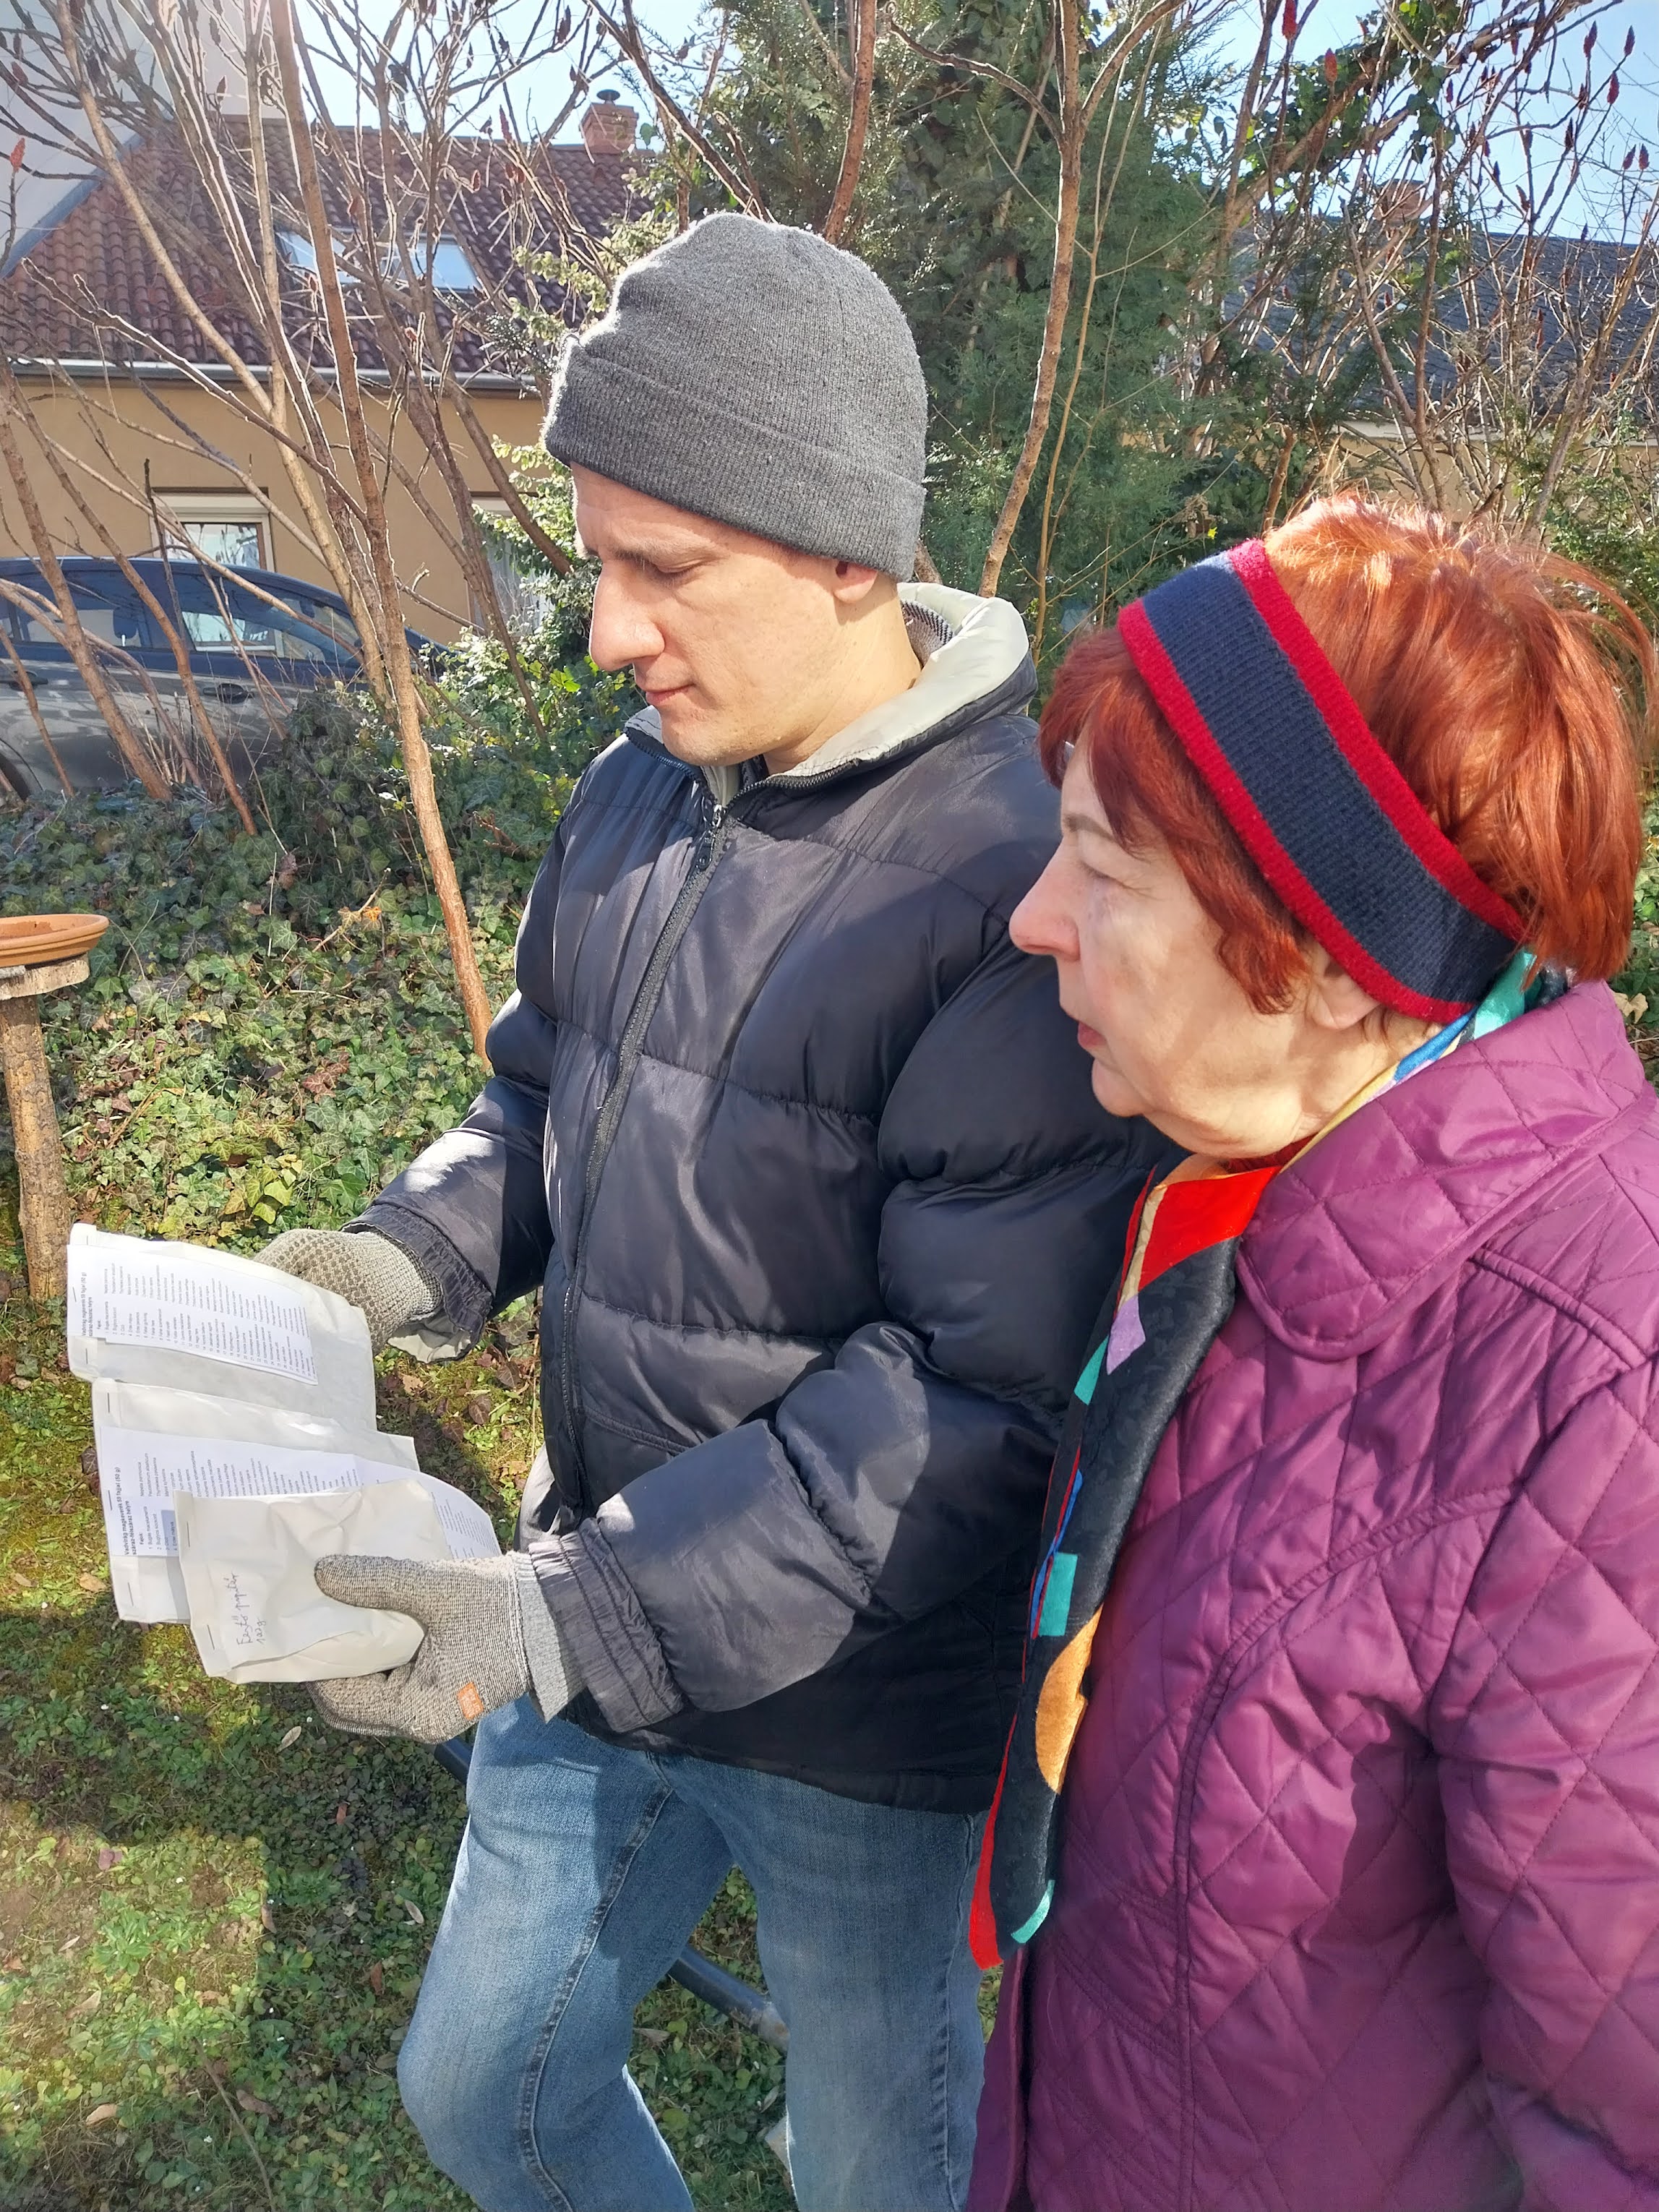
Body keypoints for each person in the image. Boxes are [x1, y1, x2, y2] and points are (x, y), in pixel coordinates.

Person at [263, 213, 1161, 2212]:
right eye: (597, 562)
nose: (607, 631)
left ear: (847, 554)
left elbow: (966, 1401)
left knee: (881, 2169)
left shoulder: (1013, 889)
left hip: (857, 1724)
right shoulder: (638, 792)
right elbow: (541, 1087)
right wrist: (406, 1253)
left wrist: (564, 1616)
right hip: (586, 1613)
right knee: (483, 2093)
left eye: (662, 569)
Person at [967, 497, 1659, 2212]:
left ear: (1338, 962)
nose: (1031, 919)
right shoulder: (1252, 1195)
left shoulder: (1602, 1396)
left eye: (1101, 869)